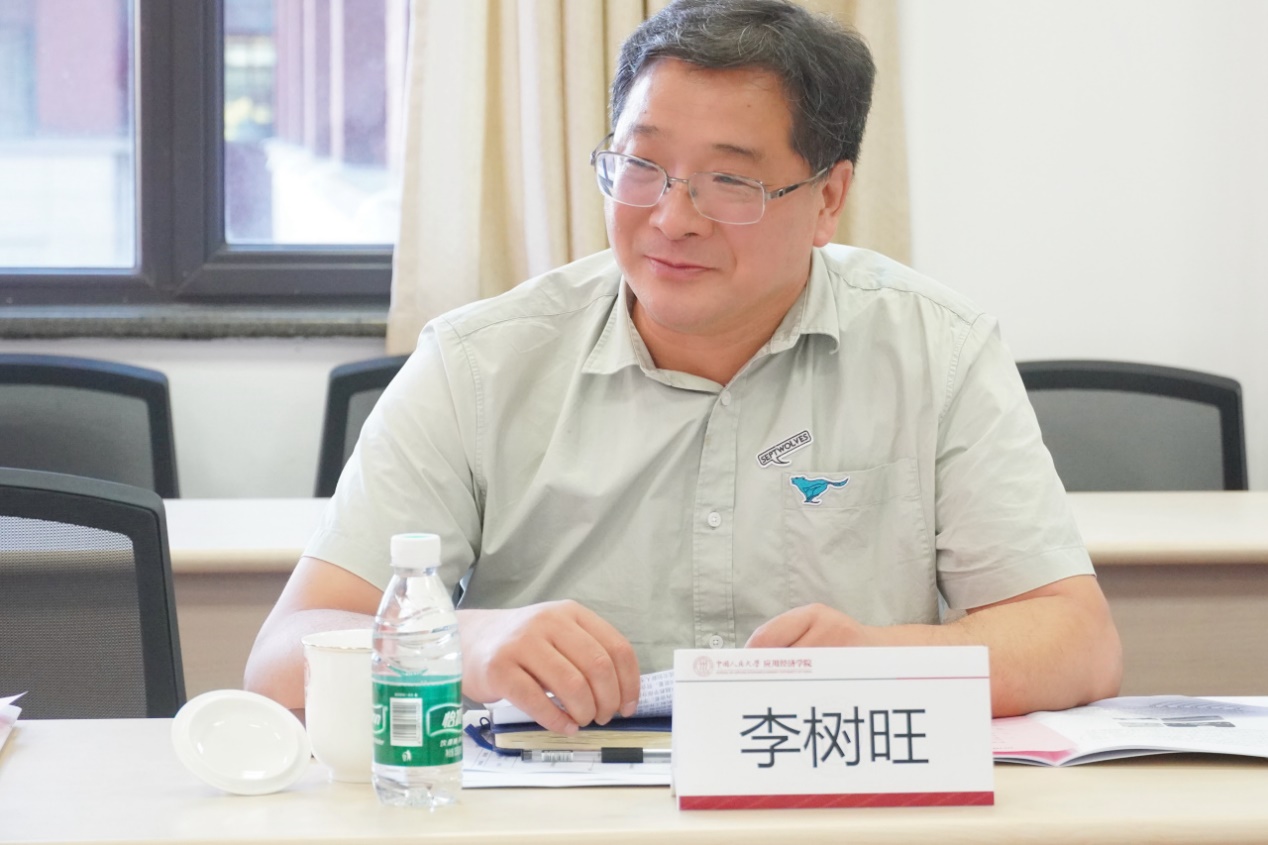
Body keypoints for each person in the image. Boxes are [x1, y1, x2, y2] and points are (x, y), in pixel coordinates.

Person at [245, 0, 1121, 732]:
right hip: (560, 806)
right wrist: (465, 642)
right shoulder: (479, 363)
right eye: (642, 166)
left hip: (828, 797)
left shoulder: (937, 349)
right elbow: (283, 658)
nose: (671, 217)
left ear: (827, 198)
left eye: (729, 182)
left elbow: (1076, 642)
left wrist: (880, 659)